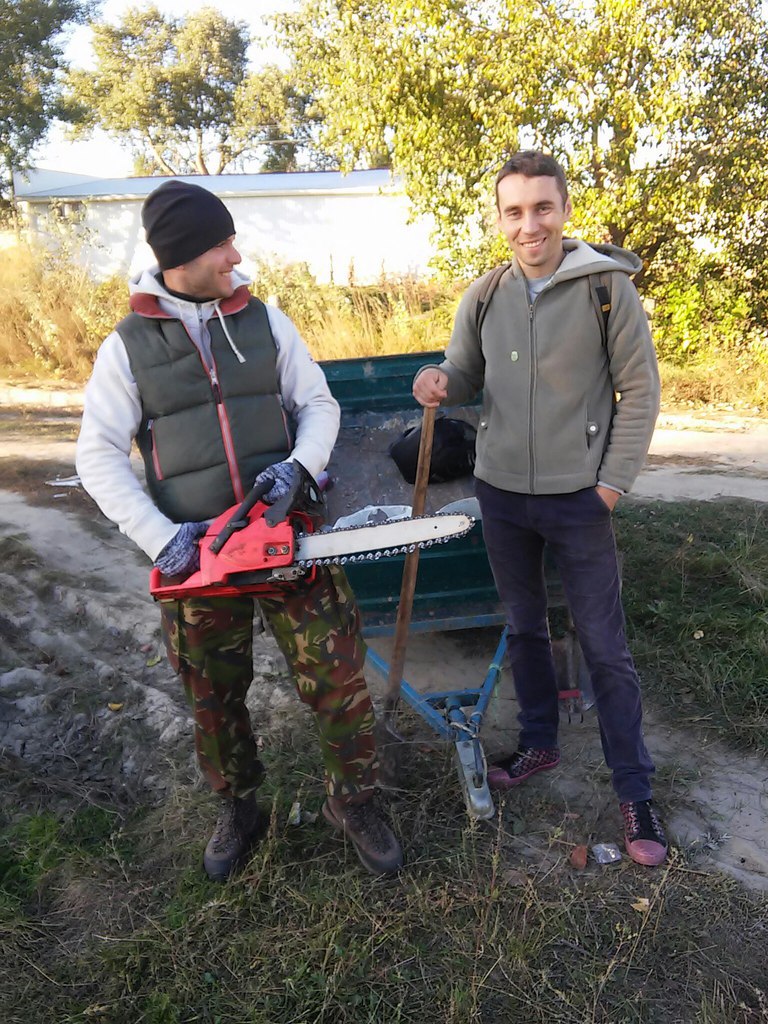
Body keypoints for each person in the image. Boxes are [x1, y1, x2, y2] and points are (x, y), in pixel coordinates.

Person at [76, 179, 403, 881]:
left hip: (285, 536)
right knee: (212, 696)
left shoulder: (266, 321)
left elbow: (318, 405)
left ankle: (354, 801)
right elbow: (96, 455)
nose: (235, 255)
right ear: (184, 255)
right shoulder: (126, 349)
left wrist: (298, 467)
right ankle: (240, 808)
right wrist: (159, 536)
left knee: (337, 672)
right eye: (222, 243)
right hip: (196, 555)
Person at [413, 151, 667, 866]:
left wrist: (610, 484)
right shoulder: (484, 295)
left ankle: (635, 789)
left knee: (605, 647)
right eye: (515, 212)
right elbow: (464, 372)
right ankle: (539, 744)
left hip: (580, 499)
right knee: (525, 628)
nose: (530, 225)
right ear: (500, 219)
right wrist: (435, 377)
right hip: (501, 496)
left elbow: (640, 391)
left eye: (543, 208)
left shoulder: (607, 289)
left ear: (564, 209)